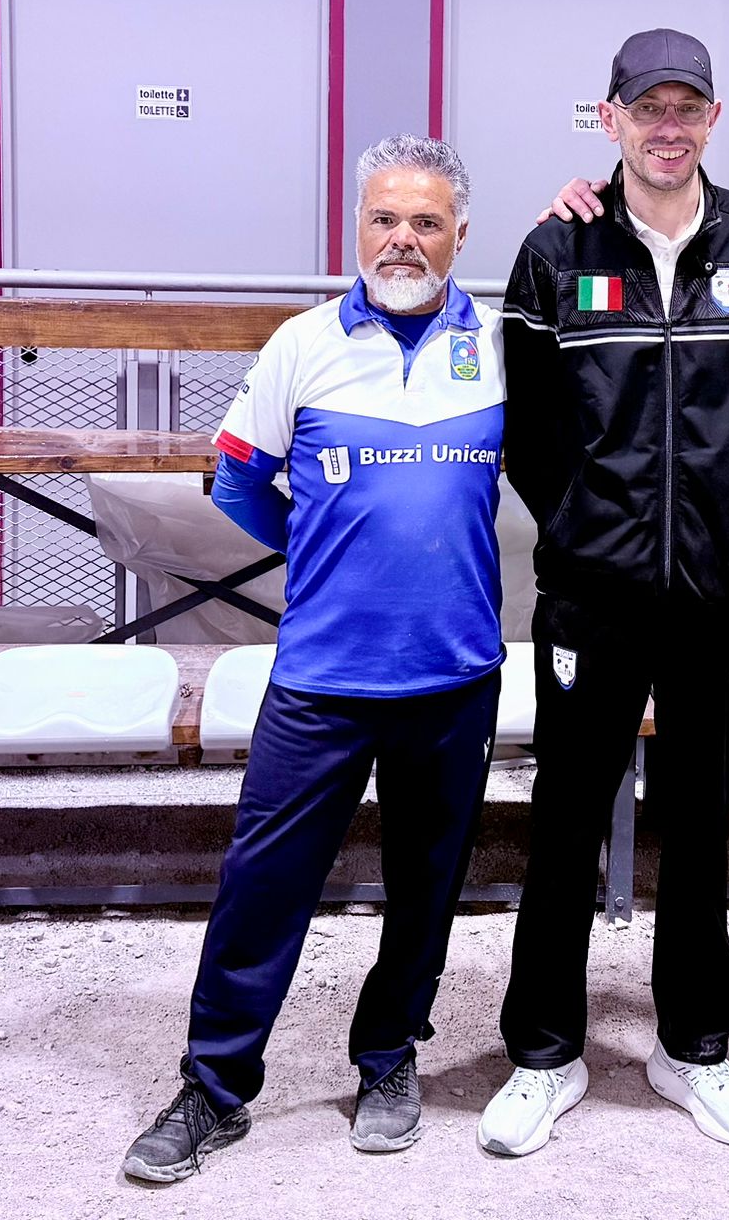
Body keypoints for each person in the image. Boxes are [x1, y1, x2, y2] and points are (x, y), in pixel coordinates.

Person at [123, 135, 506, 1183]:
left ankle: (388, 1057)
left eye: (425, 221)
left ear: (460, 234)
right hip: (321, 677)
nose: (402, 238)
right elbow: (238, 481)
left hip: (455, 674)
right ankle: (214, 1086)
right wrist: (327, 550)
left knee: (425, 885)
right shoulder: (303, 343)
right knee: (264, 883)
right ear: (357, 227)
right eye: (384, 218)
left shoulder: (499, 346)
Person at [478, 28, 729, 1157]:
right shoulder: (555, 248)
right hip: (592, 593)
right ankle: (544, 1053)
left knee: (703, 820)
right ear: (609, 117)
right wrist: (589, 527)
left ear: (713, 118)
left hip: (719, 595)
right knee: (564, 819)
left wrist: (728, 524)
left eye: (687, 107)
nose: (668, 127)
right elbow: (528, 428)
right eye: (646, 107)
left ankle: (694, 1046)